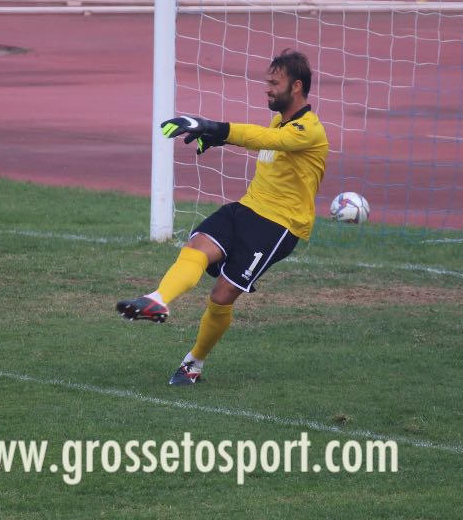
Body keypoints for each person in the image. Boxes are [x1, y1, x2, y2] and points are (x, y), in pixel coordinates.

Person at [116, 49, 329, 385]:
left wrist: (213, 126)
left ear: (297, 86)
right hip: (246, 209)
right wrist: (216, 139)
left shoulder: (309, 131)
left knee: (222, 295)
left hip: (277, 227)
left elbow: (269, 139)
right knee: (197, 246)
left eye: (275, 83)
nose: (267, 89)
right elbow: (266, 144)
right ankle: (156, 300)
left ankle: (193, 364)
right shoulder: (281, 121)